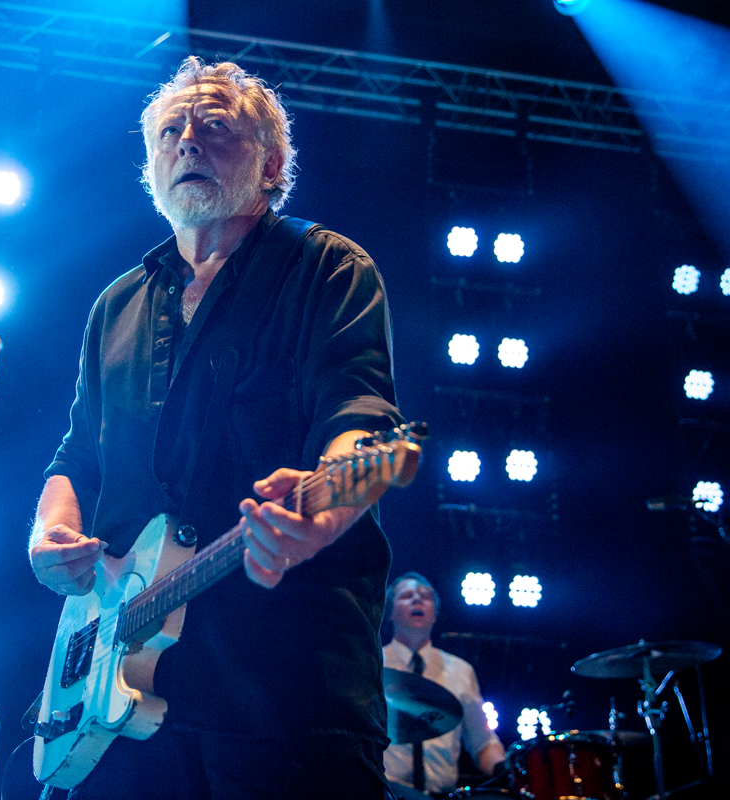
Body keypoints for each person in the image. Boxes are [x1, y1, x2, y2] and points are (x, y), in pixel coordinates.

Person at [28, 56, 403, 800]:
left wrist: (322, 515)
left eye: (215, 127)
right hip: (115, 706)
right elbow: (77, 457)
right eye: (171, 131)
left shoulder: (327, 268)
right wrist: (50, 534)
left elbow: (363, 427)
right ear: (151, 168)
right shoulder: (116, 305)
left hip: (285, 690)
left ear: (271, 165)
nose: (188, 141)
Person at [382, 573, 506, 796]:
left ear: (435, 614)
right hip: (387, 793)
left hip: (443, 794)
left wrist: (505, 769)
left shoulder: (461, 670)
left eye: (426, 596)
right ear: (389, 612)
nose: (417, 599)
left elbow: (483, 742)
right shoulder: (372, 664)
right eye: (407, 595)